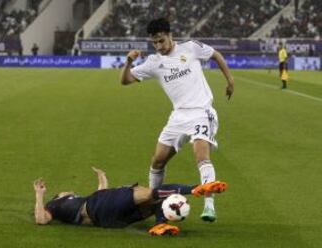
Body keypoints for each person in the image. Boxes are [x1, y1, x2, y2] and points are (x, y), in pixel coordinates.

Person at [120, 18, 234, 222]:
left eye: (161, 41)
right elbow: (125, 80)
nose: (158, 46)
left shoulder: (191, 48)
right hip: (178, 116)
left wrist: (230, 79)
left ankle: (209, 206)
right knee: (157, 161)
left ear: (170, 35)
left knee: (201, 155)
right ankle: (153, 203)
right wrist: (128, 62)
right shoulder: (155, 62)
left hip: (201, 111)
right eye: (154, 43)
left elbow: (215, 55)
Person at [34, 167, 228, 236]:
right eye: (66, 191)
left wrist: (102, 178)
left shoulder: (78, 202)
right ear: (58, 195)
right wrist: (39, 194)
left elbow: (100, 195)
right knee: (151, 193)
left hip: (110, 220)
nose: (70, 190)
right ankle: (194, 189)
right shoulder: (55, 205)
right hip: (101, 206)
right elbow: (41, 219)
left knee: (157, 202)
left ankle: (160, 225)